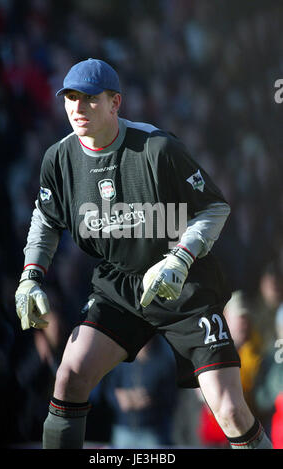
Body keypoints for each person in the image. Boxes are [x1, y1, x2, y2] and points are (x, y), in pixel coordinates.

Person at [15, 58, 272, 449]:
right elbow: (46, 219)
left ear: (115, 103)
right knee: (69, 377)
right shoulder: (59, 159)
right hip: (119, 285)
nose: (77, 108)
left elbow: (214, 207)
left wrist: (180, 258)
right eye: (70, 98)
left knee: (230, 411)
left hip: (184, 284)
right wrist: (30, 277)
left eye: (89, 99)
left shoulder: (157, 148)